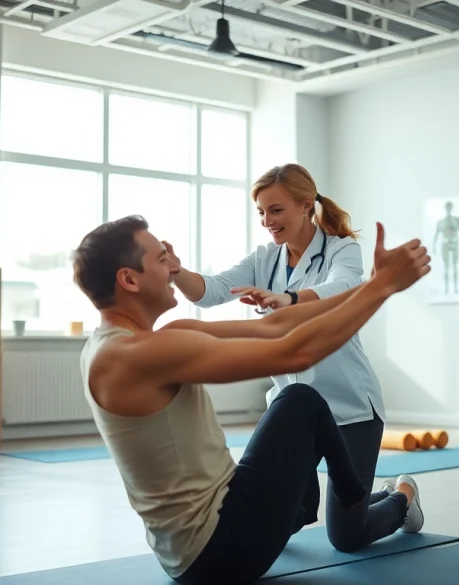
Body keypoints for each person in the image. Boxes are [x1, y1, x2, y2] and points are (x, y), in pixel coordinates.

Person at [72, 215, 430, 585]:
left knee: (294, 400)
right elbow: (295, 354)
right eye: (161, 259)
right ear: (129, 279)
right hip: (222, 551)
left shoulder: (133, 342)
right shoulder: (132, 355)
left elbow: (272, 326)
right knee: (299, 399)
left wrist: (369, 284)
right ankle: (358, 496)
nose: (171, 267)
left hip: (199, 542)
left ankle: (327, 501)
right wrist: (383, 288)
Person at [166, 163, 393, 550]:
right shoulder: (264, 258)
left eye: (276, 210)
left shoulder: (342, 249)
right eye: (260, 212)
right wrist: (176, 272)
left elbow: (343, 288)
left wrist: (287, 299)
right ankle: (345, 502)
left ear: (306, 205)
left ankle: (402, 497)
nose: (267, 221)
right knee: (273, 521)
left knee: (348, 537)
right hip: (294, 413)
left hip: (349, 408)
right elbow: (214, 289)